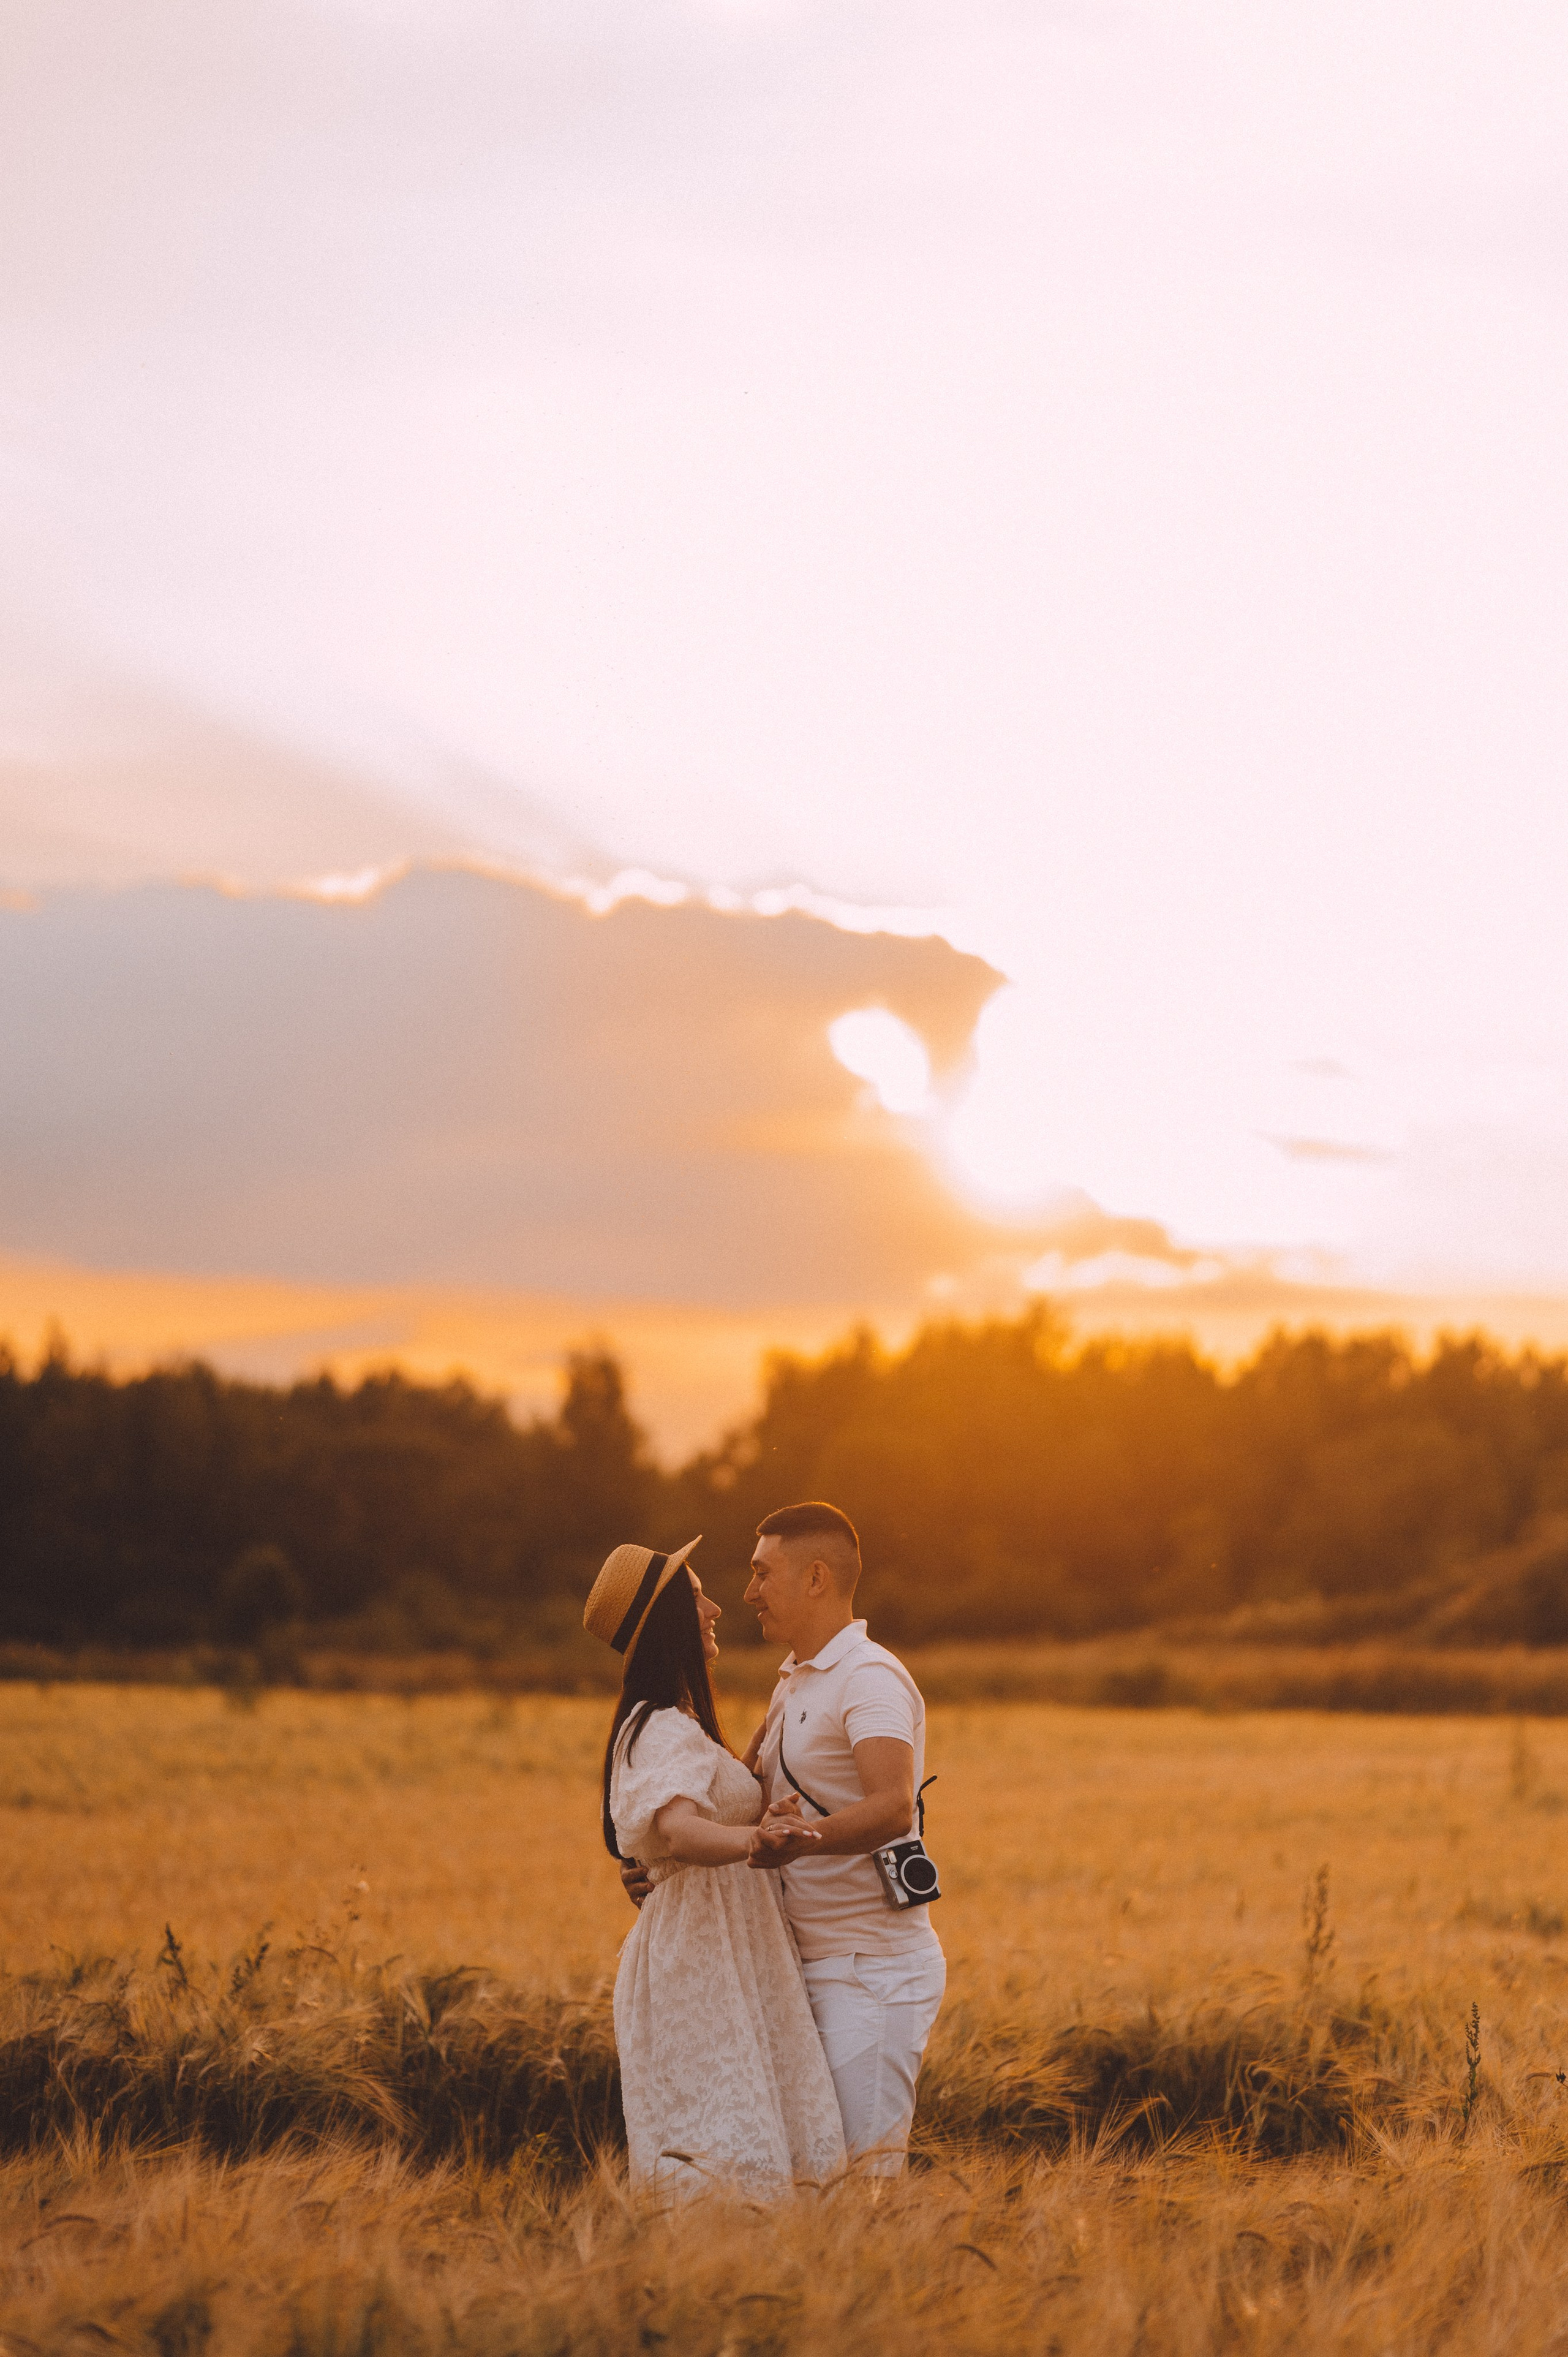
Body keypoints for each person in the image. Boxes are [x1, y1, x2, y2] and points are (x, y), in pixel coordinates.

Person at [622, 1502, 946, 2177]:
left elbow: (892, 1807)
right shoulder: (794, 1682)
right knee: (812, 2177)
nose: (747, 1594)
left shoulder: (868, 1677)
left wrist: (797, 1841)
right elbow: (738, 1800)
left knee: (860, 2184)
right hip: (800, 1969)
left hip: (869, 1970)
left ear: (816, 1578)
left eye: (762, 1573)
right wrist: (667, 1862)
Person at [584, 1534, 846, 2198]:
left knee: (755, 2133)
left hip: (729, 1946)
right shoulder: (657, 1728)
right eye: (698, 1596)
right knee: (725, 2145)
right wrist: (756, 1843)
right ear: (670, 1618)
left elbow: (704, 1807)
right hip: (699, 1957)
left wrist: (761, 1753)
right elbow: (677, 1830)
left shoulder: (681, 1724)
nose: (716, 1608)